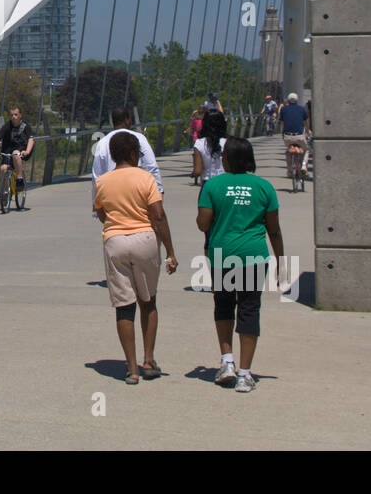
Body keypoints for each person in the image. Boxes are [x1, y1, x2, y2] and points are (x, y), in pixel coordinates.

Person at [196, 137, 284, 393]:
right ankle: (245, 374)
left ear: (226, 159)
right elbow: (274, 230)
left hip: (223, 255)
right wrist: (281, 261)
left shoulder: (213, 185)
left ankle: (227, 363)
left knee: (223, 306)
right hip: (253, 256)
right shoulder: (264, 187)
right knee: (249, 308)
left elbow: (203, 224)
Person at [94, 132, 178, 384]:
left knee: (123, 307)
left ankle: (131, 369)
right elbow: (158, 215)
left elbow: (100, 212)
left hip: (115, 242)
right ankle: (149, 360)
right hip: (144, 240)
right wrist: (170, 251)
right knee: (148, 301)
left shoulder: (103, 182)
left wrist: (117, 223)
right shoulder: (146, 178)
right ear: (133, 154)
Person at [90, 106, 163, 207]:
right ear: (127, 119)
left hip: (112, 194)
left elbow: (97, 174)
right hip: (137, 192)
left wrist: (96, 202)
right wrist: (159, 191)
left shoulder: (102, 143)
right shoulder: (139, 138)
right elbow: (151, 166)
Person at [0, 107, 35, 190]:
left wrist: (27, 151)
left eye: (16, 114)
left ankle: (19, 179)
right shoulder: (7, 126)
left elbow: (31, 139)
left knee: (15, 153)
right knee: (3, 168)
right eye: (12, 115)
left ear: (20, 115)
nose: (13, 117)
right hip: (8, 149)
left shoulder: (25, 126)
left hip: (22, 148)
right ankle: (6, 191)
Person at [278, 93, 310, 188]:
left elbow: (282, 123)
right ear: (297, 100)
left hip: (288, 136)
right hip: (299, 136)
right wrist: (308, 131)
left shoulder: (283, 109)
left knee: (288, 151)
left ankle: (289, 170)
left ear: (288, 100)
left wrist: (282, 133)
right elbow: (305, 122)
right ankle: (303, 166)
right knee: (306, 149)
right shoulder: (301, 109)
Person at [192, 110, 228, 186]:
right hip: (225, 182)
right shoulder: (228, 143)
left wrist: (194, 173)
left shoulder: (200, 143)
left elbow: (197, 171)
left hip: (208, 183)